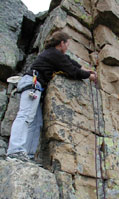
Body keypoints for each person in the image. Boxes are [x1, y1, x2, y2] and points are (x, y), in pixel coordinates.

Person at [6, 31, 97, 163]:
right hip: (32, 83)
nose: (68, 47)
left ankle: (28, 156)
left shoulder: (53, 54)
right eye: (67, 44)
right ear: (62, 43)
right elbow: (72, 70)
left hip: (35, 86)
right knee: (25, 116)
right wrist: (89, 76)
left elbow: (70, 62)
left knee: (36, 123)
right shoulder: (54, 54)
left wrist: (85, 69)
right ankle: (15, 151)